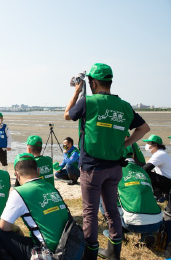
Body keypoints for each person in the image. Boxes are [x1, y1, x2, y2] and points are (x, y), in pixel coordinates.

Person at [64, 63, 150, 259]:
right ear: (109, 82)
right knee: (112, 210)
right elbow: (144, 128)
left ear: (93, 82)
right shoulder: (124, 106)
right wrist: (126, 144)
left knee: (90, 213)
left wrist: (77, 92)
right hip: (114, 168)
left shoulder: (89, 102)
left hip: (92, 168)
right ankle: (114, 252)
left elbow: (67, 115)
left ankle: (90, 253)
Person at [0, 153, 71, 260]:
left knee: (0, 235)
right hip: (70, 247)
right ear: (38, 171)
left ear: (17, 174)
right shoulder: (49, 186)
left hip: (50, 254)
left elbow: (4, 226)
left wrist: (16, 228)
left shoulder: (19, 192)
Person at [99, 146, 162, 254]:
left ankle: (117, 232)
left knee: (105, 198)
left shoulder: (116, 171)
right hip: (156, 221)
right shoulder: (143, 171)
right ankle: (147, 234)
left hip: (131, 222)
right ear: (133, 155)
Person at [142, 134, 171, 202]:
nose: (146, 145)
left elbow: (145, 169)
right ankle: (161, 196)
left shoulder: (159, 154)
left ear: (155, 145)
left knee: (147, 174)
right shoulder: (161, 153)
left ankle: (158, 196)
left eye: (148, 143)